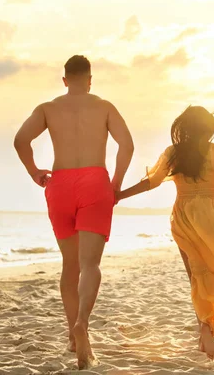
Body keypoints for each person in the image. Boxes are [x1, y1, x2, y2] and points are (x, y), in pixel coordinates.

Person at [13, 55, 134, 370]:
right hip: (95, 182)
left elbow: (20, 140)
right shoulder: (104, 106)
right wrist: (116, 183)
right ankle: (83, 322)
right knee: (90, 264)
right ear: (90, 79)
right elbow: (127, 145)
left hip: (61, 184)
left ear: (64, 80)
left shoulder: (48, 109)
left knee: (70, 264)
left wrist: (33, 171)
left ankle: (71, 332)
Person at [116, 105, 214, 360]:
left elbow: (150, 182)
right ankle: (207, 331)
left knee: (197, 275)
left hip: (184, 216)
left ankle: (205, 330)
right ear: (208, 129)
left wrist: (119, 195)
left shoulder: (174, 153)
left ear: (183, 128)